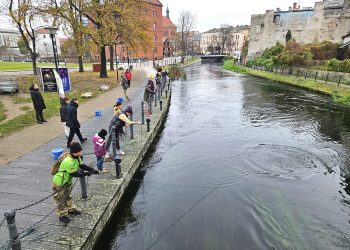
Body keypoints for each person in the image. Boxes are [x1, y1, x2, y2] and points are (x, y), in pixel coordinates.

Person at [52, 142, 99, 223]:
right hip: (60, 182)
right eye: (80, 151)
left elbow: (82, 165)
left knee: (68, 196)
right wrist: (87, 173)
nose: (81, 152)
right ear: (75, 152)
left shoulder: (76, 157)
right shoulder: (68, 161)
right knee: (60, 199)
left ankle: (71, 210)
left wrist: (92, 169)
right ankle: (62, 215)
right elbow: (75, 174)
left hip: (67, 181)